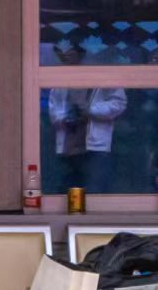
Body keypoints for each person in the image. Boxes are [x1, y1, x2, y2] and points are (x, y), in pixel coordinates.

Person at [48, 47, 126, 193]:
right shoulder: (61, 79)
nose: (66, 58)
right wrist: (65, 119)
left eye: (70, 54)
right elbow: (54, 110)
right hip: (69, 147)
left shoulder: (103, 76)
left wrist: (90, 111)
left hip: (95, 147)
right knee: (69, 194)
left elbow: (119, 103)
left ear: (81, 54)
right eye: (64, 55)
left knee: (95, 193)